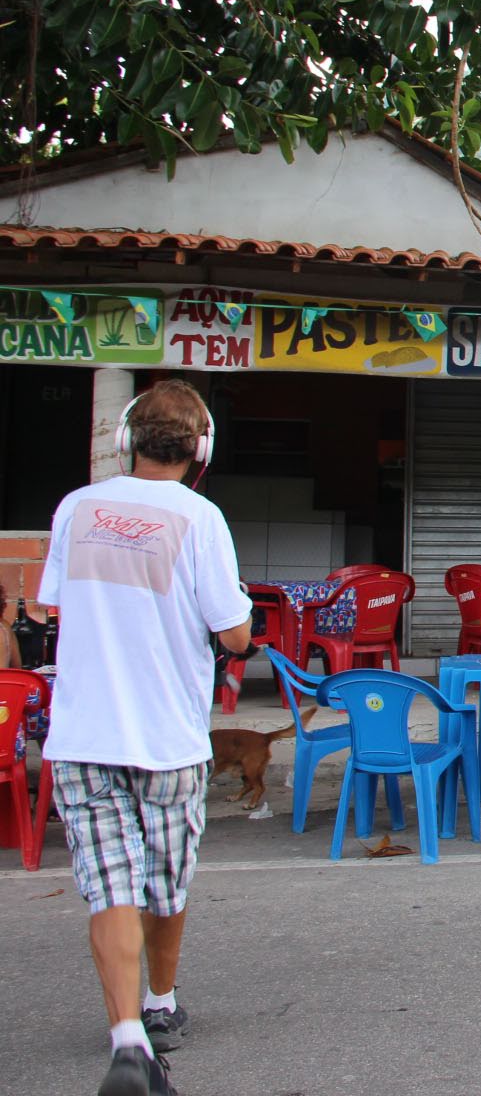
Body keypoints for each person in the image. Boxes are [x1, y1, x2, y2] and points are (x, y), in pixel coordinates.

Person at [39, 380, 255, 1096]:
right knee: (164, 886)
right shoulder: (202, 518)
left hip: (82, 737)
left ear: (126, 438)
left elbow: (57, 602)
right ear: (201, 449)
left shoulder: (76, 508)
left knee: (111, 890)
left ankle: (130, 1034)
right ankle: (155, 1007)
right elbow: (233, 632)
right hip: (167, 741)